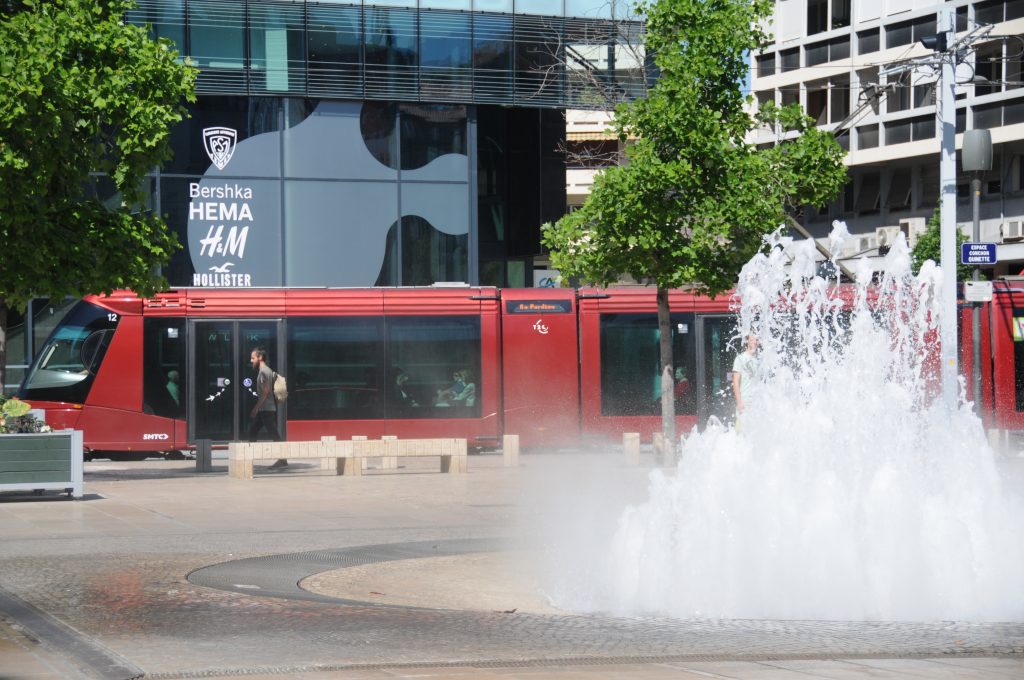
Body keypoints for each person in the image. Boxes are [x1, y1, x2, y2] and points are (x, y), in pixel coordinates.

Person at [248, 347, 285, 468]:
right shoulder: (266, 370)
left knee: (273, 434)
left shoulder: (264, 371)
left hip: (266, 409)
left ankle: (282, 459)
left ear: (260, 358)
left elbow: (266, 391)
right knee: (253, 431)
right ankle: (249, 457)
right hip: (266, 409)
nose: (251, 360)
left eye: (253, 358)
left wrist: (256, 407)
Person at [731, 333, 761, 417]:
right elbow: (735, 382)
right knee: (742, 429)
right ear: (747, 341)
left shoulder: (762, 358)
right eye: (752, 340)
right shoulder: (740, 359)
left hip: (759, 402)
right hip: (745, 402)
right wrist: (739, 402)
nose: (755, 342)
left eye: (757, 340)